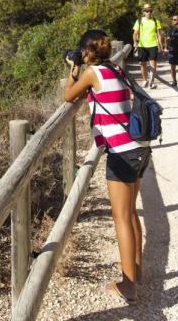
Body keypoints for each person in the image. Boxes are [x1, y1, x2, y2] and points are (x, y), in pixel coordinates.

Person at [64, 29, 150, 305]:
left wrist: (73, 68)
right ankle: (136, 271)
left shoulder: (93, 73)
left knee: (121, 218)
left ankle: (128, 286)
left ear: (86, 52)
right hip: (139, 148)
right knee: (130, 212)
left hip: (121, 153)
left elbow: (68, 96)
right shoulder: (115, 69)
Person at [132, 3, 164, 89]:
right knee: (143, 64)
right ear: (143, 12)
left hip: (153, 45)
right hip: (142, 45)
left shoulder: (155, 21)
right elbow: (135, 33)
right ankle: (145, 80)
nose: (148, 12)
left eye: (150, 11)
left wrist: (161, 46)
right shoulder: (139, 21)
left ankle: (152, 82)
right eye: (146, 11)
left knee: (153, 64)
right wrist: (135, 43)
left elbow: (159, 35)